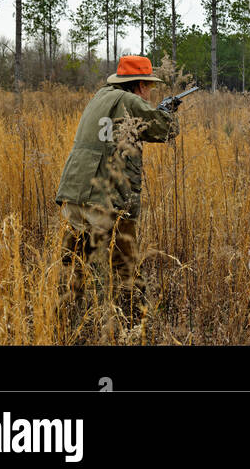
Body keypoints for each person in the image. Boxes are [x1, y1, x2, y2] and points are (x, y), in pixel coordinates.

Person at [56, 56, 179, 310]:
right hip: (106, 198)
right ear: (139, 85)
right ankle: (137, 323)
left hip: (74, 194)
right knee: (125, 264)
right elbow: (165, 131)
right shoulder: (130, 100)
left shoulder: (100, 96)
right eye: (149, 87)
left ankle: (66, 315)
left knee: (74, 261)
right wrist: (167, 112)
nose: (149, 93)